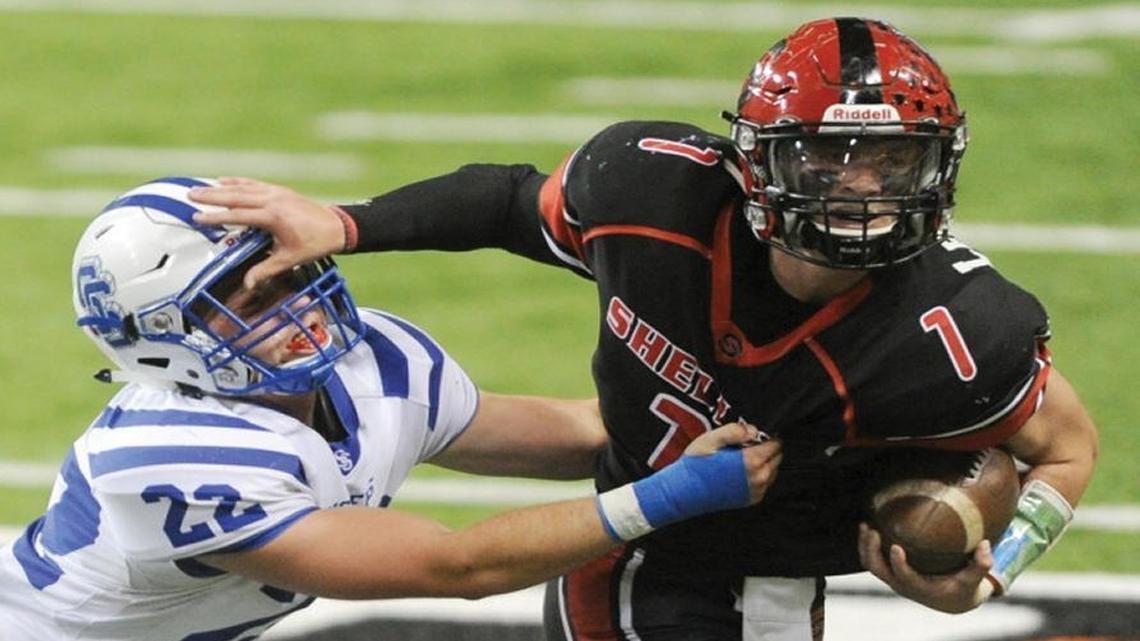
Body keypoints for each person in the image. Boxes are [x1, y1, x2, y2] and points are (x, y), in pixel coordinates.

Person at [189, 17, 1098, 641]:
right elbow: (507, 202)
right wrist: (347, 223)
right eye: (826, 158)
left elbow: (1067, 448)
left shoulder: (958, 329)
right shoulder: (651, 195)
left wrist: (994, 570)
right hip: (629, 554)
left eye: (892, 161)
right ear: (755, 161)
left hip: (773, 585)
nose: (860, 191)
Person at [0, 177, 784, 641]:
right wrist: (669, 494)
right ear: (157, 342)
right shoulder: (168, 457)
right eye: (246, 300)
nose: (296, 304)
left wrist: (737, 401)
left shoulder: (374, 356)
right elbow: (459, 565)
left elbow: (580, 433)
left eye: (283, 273)